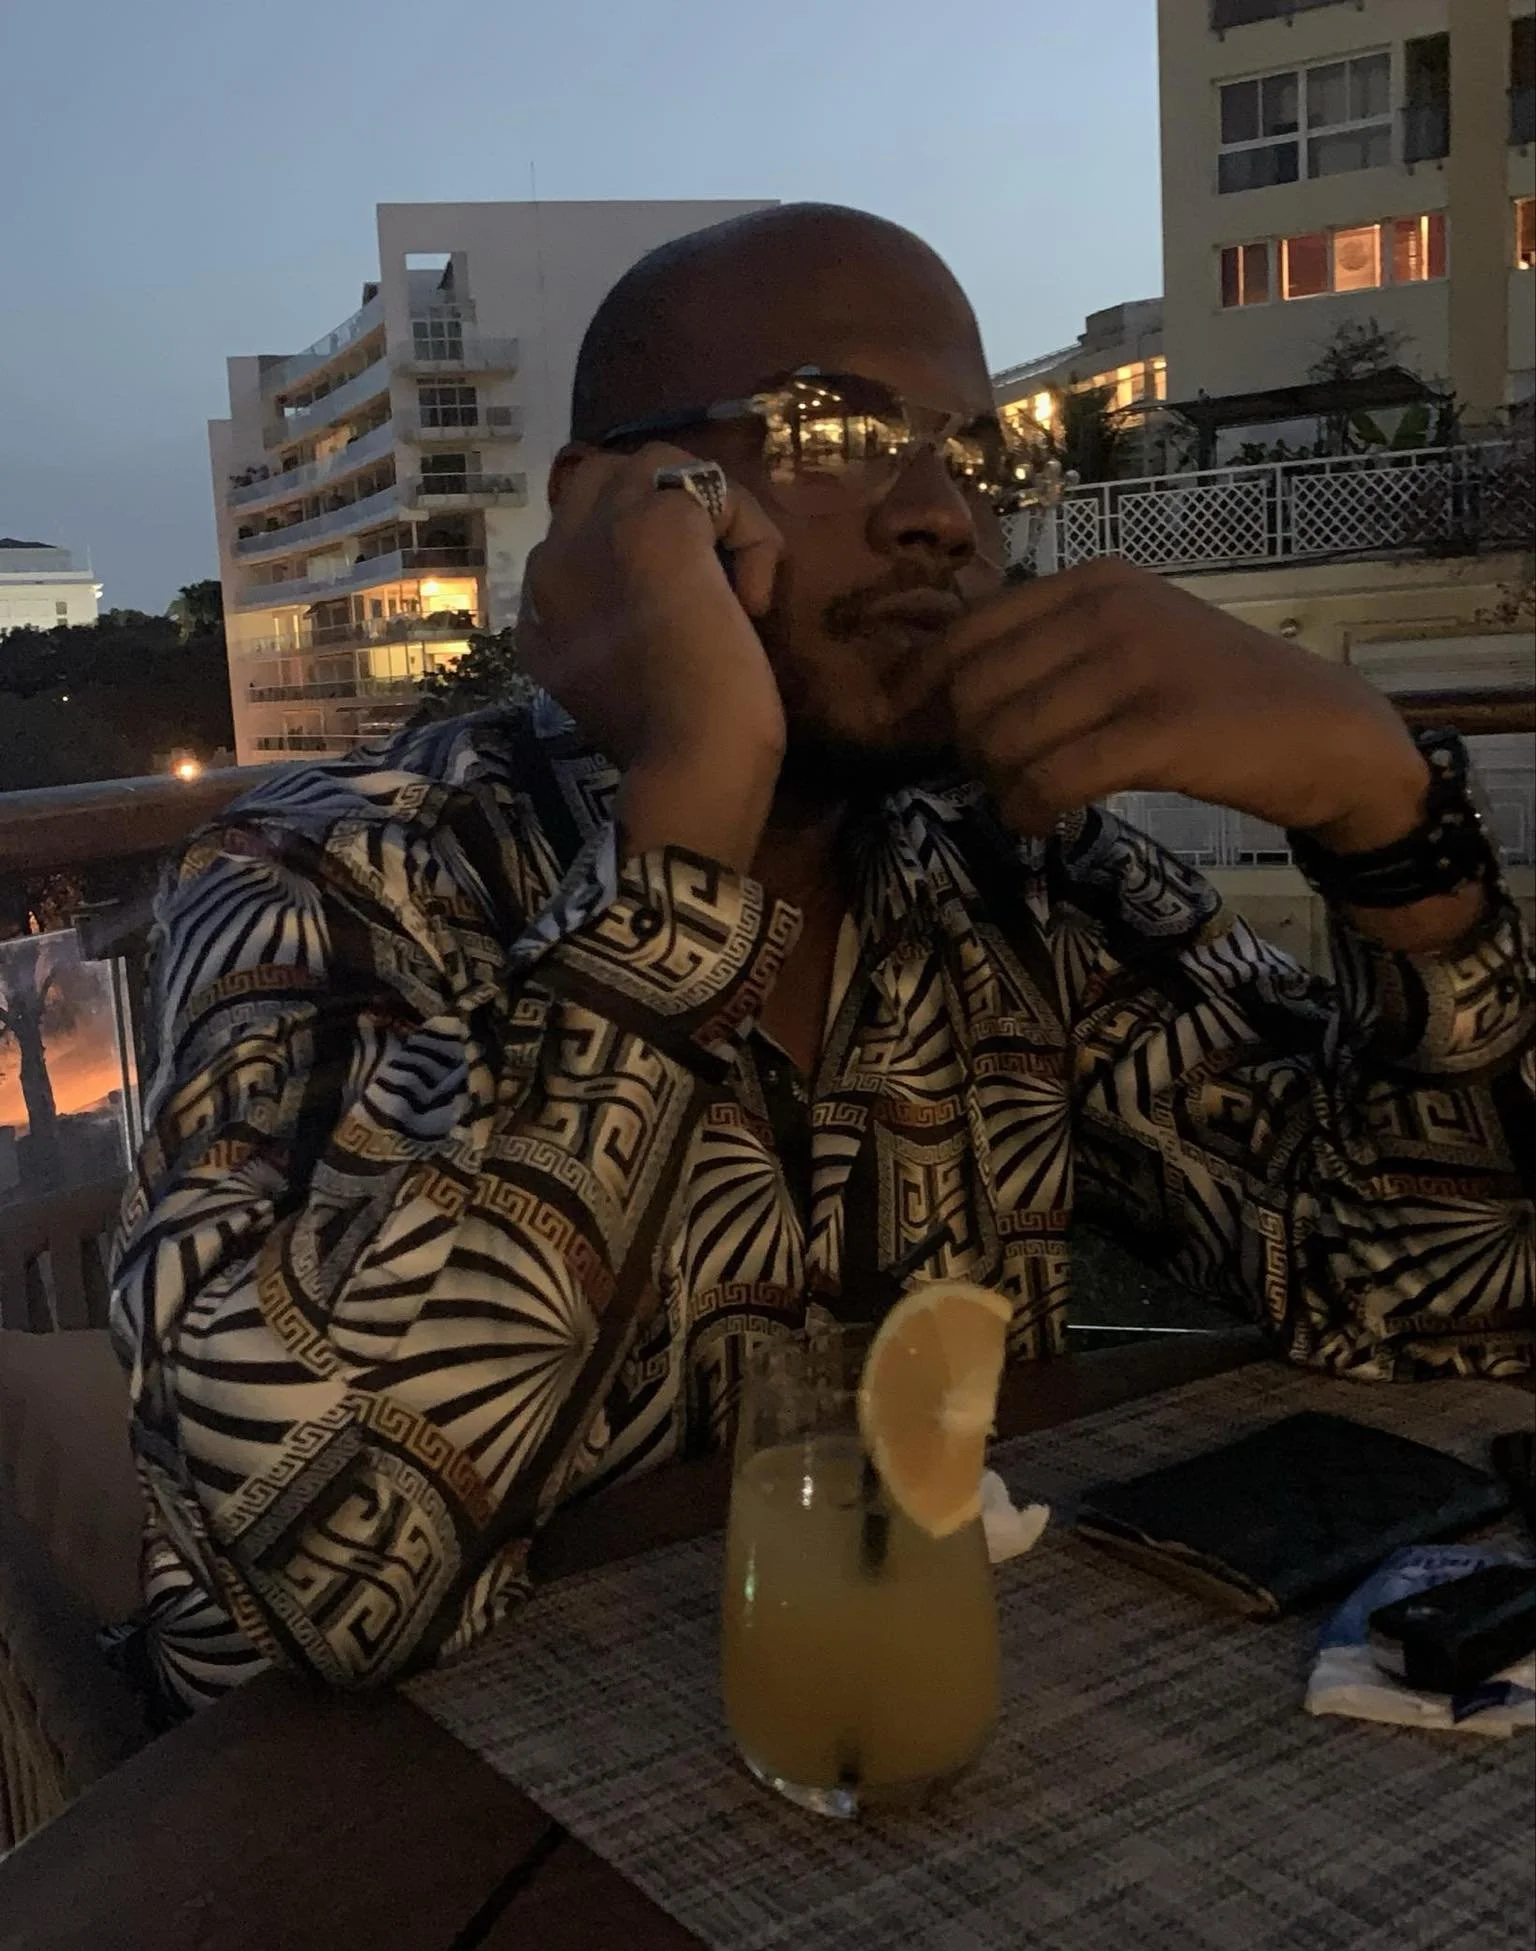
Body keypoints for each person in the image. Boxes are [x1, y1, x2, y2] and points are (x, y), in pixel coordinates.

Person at [108, 204, 1534, 1720]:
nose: (943, 515)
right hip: (373, 1854)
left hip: (910, 1753)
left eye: (977, 456)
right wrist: (687, 823)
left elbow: (1430, 1306)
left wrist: (1397, 839)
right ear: (599, 506)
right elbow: (316, 1576)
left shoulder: (1013, 869)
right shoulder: (339, 871)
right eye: (830, 428)